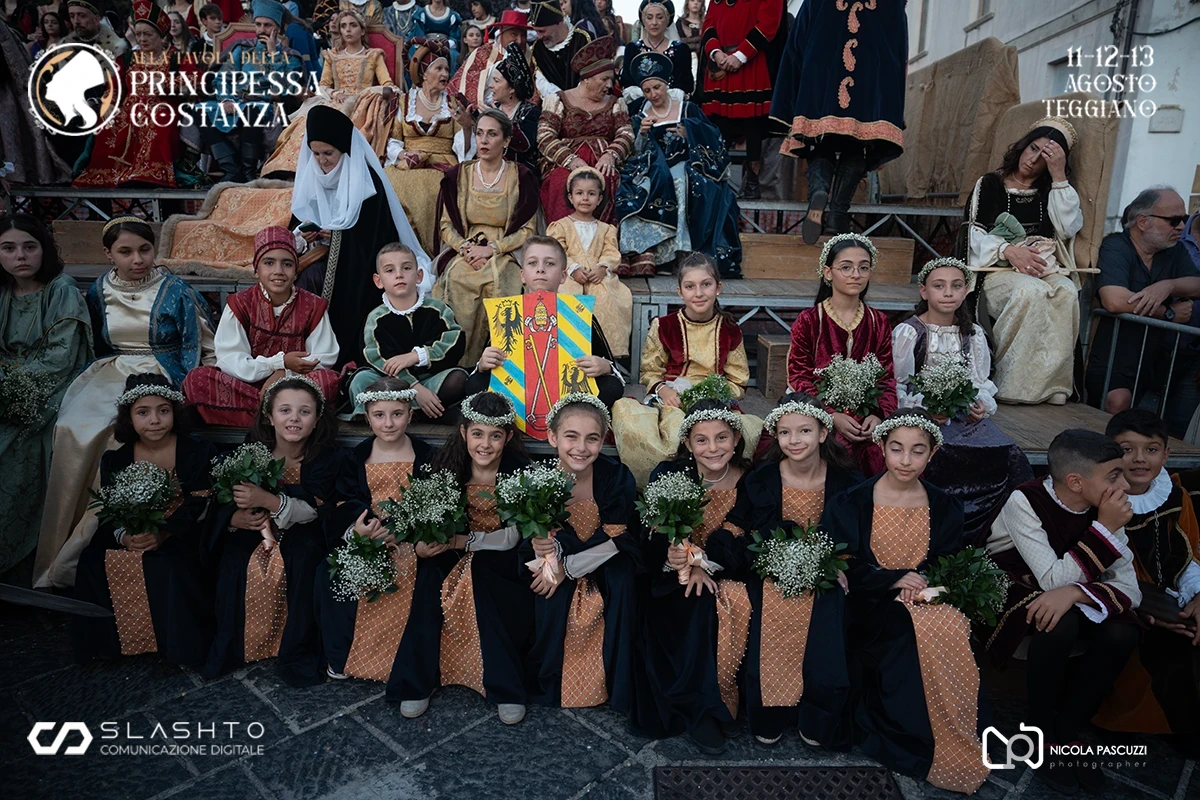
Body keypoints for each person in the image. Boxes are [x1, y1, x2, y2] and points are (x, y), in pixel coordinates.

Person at [33, 218, 216, 590]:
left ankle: (108, 531)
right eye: (125, 252)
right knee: (72, 426)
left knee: (120, 433)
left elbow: (196, 343)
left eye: (145, 250)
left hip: (160, 370)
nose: (137, 259)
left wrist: (187, 384)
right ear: (108, 254)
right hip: (111, 370)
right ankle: (64, 540)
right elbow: (96, 342)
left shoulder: (174, 290)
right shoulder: (100, 290)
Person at [826, 411, 989, 795]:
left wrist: (924, 586)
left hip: (925, 600)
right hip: (870, 606)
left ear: (932, 453)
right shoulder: (852, 500)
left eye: (917, 451)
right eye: (896, 449)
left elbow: (948, 562)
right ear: (881, 447)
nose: (905, 460)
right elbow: (843, 563)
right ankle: (914, 739)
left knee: (950, 623)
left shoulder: (944, 505)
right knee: (905, 628)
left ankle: (955, 730)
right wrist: (891, 580)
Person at [980, 429, 1140, 795]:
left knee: (1124, 631)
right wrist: (1104, 529)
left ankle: (1068, 727)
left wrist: (1074, 592)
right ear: (1075, 482)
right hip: (1015, 584)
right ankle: (1038, 729)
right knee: (1057, 621)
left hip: (1070, 588)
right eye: (1114, 476)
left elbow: (1131, 592)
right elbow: (1050, 580)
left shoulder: (1106, 508)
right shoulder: (1026, 500)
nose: (1125, 486)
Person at [727, 395, 860, 747]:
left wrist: (833, 564)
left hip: (828, 566)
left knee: (827, 604)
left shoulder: (846, 481)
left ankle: (818, 712)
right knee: (775, 601)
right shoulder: (762, 478)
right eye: (785, 432)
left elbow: (852, 534)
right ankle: (770, 710)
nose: (794, 440)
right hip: (772, 565)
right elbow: (750, 528)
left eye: (804, 431)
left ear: (823, 433)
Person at [397, 391, 533, 722]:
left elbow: (512, 537)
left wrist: (465, 541)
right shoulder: (445, 467)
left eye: (495, 436)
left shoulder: (519, 472)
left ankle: (507, 687)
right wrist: (422, 544)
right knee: (430, 573)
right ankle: (417, 681)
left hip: (500, 554)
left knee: (483, 574)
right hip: (454, 549)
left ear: (508, 437)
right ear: (463, 433)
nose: (485, 444)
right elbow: (426, 520)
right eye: (477, 434)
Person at [203, 375, 342, 687]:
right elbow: (221, 501)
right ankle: (238, 644)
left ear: (317, 418)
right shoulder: (250, 454)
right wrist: (234, 518)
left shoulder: (327, 458)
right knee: (237, 556)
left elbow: (319, 510)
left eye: (304, 412)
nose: (294, 419)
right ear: (269, 416)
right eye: (285, 410)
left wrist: (269, 501)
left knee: (304, 555)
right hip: (253, 532)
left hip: (304, 532)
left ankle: (295, 648)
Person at [72, 375, 218, 667]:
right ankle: (108, 644)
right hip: (134, 531)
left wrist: (163, 534)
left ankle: (176, 645)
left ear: (175, 413)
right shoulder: (116, 459)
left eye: (164, 411)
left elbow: (200, 502)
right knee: (92, 559)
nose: (155, 420)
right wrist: (125, 536)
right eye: (143, 412)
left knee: (169, 564)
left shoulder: (196, 451)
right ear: (128, 418)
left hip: (183, 530)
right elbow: (110, 508)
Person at [631, 399, 751, 752]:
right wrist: (672, 555)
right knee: (692, 601)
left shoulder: (750, 480)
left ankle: (724, 699)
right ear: (687, 442)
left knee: (724, 600)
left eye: (721, 438)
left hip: (730, 568)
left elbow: (745, 534)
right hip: (674, 573)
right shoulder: (669, 475)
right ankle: (701, 710)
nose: (712, 448)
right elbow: (653, 531)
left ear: (735, 439)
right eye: (702, 440)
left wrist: (704, 562)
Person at [892, 257, 1032, 541]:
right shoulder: (910, 332)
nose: (948, 293)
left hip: (964, 416)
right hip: (921, 416)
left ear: (966, 290)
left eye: (956, 286)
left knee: (1007, 450)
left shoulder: (973, 334)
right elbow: (898, 384)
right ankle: (935, 527)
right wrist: (923, 409)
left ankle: (997, 532)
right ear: (924, 291)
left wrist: (980, 404)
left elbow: (980, 382)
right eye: (939, 286)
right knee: (938, 451)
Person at [522, 394, 641, 712]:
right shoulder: (539, 478)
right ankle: (551, 676)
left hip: (607, 554)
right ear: (552, 437)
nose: (581, 448)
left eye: (592, 438)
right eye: (571, 436)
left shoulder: (616, 476)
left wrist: (569, 567)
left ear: (603, 440)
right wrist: (545, 551)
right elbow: (536, 528)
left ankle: (613, 679)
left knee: (621, 579)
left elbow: (618, 538)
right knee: (544, 587)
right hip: (561, 552)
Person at [290, 105, 431, 368]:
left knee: (320, 278)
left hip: (359, 269)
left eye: (328, 153)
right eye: (316, 154)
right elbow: (300, 221)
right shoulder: (312, 177)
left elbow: (377, 238)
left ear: (344, 150)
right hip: (319, 259)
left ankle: (340, 359)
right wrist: (303, 235)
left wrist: (338, 237)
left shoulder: (368, 184)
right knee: (306, 278)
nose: (322, 161)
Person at [1091, 410, 1200, 751]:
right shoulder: (1100, 499)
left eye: (1151, 449)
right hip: (1114, 593)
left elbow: (1189, 555)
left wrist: (1197, 595)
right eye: (1127, 449)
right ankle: (1117, 719)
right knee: (1138, 634)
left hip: (1167, 594)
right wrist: (1144, 606)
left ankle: (1184, 723)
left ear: (1165, 455)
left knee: (1189, 630)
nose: (1140, 459)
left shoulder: (1176, 497)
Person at [316, 376, 437, 682]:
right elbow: (346, 500)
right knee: (332, 574)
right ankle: (342, 655)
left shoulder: (426, 456)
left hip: (412, 539)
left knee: (412, 574)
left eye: (397, 414)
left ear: (410, 414)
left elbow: (436, 501)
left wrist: (406, 531)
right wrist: (360, 530)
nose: (388, 423)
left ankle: (401, 658)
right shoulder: (356, 457)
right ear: (367, 417)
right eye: (379, 415)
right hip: (370, 535)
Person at [962, 117, 1084, 406]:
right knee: (1030, 291)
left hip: (1041, 267)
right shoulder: (990, 184)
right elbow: (971, 233)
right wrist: (1008, 250)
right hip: (995, 269)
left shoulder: (1051, 190)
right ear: (1022, 146)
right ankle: (1011, 385)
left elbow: (1068, 228)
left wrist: (1058, 177)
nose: (1033, 159)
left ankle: (1053, 385)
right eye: (1033, 148)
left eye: (1046, 156)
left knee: (1066, 292)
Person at [0, 215, 92, 579]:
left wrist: (13, 386)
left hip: (52, 382)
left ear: (44, 249)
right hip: (8, 381)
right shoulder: (3, 290)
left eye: (29, 246)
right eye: (8, 248)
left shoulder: (60, 289)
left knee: (19, 440)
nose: (20, 256)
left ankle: (20, 560)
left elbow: (61, 355)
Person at [612, 254, 754, 485]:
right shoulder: (664, 326)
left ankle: (718, 486)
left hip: (715, 402)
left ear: (718, 288)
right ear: (680, 291)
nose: (698, 293)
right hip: (674, 400)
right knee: (675, 433)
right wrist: (664, 391)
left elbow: (738, 381)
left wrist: (714, 395)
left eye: (706, 284)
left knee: (745, 433)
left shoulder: (730, 329)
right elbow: (650, 372)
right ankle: (668, 487)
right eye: (690, 286)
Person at [770, 0, 906, 239]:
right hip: (870, 76)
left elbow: (798, 38)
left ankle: (819, 191)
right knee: (858, 146)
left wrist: (793, 85)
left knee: (820, 143)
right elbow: (899, 47)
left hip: (822, 73)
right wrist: (892, 99)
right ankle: (837, 216)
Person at [182, 226, 341, 427]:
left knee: (327, 381)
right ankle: (279, 415)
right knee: (197, 379)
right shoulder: (241, 303)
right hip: (248, 385)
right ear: (256, 270)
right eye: (269, 263)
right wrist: (275, 364)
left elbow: (323, 356)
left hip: (295, 386)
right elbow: (230, 359)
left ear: (296, 270)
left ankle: (265, 415)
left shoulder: (313, 305)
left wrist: (284, 373)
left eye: (287, 264)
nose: (278, 271)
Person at [615, 51, 741, 278]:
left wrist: (689, 132)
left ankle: (681, 252)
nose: (653, 94)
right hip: (650, 167)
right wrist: (641, 134)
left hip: (684, 164)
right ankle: (653, 255)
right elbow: (634, 149)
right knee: (636, 188)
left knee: (682, 182)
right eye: (647, 90)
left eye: (657, 87)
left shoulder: (687, 108)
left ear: (666, 84)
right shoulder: (639, 112)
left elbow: (712, 136)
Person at [1087, 186, 1200, 438]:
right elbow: (1115, 300)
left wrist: (1168, 285)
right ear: (1143, 222)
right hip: (1114, 354)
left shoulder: (1174, 251)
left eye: (1183, 218)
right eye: (1173, 220)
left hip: (1155, 358)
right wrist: (1167, 313)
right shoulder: (1116, 246)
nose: (1182, 227)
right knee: (1116, 406)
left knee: (1152, 428)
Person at [464, 236, 624, 409]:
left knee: (611, 386)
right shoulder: (507, 313)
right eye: (532, 263)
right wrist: (483, 364)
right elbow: (487, 363)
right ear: (522, 275)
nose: (540, 269)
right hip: (516, 394)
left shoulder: (577, 313)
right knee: (475, 384)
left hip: (568, 395)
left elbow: (614, 372)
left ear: (563, 276)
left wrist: (604, 366)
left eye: (550, 263)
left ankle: (569, 415)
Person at [432, 110, 539, 368]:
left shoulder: (520, 176)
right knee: (458, 279)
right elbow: (445, 225)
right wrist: (464, 248)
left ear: (506, 140)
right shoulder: (460, 175)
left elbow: (528, 229)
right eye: (479, 133)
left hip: (506, 249)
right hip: (466, 248)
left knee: (503, 280)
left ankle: (502, 366)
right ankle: (459, 366)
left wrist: (493, 249)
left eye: (492, 134)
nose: (484, 140)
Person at [787, 233, 897, 476]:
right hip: (816, 411)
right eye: (846, 267)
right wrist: (830, 415)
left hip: (865, 415)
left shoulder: (878, 322)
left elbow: (886, 378)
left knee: (886, 450)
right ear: (828, 272)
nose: (856, 274)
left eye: (863, 268)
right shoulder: (809, 320)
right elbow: (799, 376)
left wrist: (878, 416)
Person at [74, 1, 197, 188]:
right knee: (110, 123)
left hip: (163, 106)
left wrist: (167, 84)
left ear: (161, 35)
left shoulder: (177, 57)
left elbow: (195, 80)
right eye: (138, 34)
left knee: (157, 123)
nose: (142, 39)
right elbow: (114, 86)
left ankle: (149, 173)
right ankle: (110, 174)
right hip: (129, 107)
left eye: (148, 34)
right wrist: (109, 103)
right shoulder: (128, 58)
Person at [261, 8, 397, 177]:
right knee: (310, 120)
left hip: (361, 101)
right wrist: (335, 94)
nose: (348, 30)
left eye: (353, 25)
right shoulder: (332, 56)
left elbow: (388, 85)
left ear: (362, 31)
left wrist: (362, 95)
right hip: (334, 100)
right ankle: (295, 171)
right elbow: (323, 85)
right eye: (343, 26)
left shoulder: (373, 55)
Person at [345, 243, 468, 419]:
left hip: (430, 380)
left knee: (458, 378)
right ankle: (413, 412)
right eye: (390, 270)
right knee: (361, 379)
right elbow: (377, 358)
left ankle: (406, 412)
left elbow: (454, 341)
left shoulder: (438, 309)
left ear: (419, 276)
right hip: (390, 383)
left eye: (406, 268)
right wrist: (415, 388)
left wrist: (416, 356)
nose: (399, 275)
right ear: (378, 281)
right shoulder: (375, 319)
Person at [383, 38, 476, 256]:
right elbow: (393, 140)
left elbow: (461, 148)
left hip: (443, 162)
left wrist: (467, 127)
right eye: (439, 69)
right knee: (392, 184)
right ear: (424, 73)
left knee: (438, 187)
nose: (445, 74)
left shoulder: (453, 103)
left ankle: (433, 253)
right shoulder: (404, 101)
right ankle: (404, 251)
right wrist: (404, 154)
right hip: (408, 162)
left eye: (447, 69)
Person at [197, 0, 305, 183]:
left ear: (278, 28)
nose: (262, 30)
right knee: (199, 111)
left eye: (267, 25)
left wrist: (273, 55)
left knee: (253, 109)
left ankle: (248, 170)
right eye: (258, 24)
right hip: (236, 101)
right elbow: (223, 78)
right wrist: (226, 100)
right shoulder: (243, 48)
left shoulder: (290, 56)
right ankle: (230, 168)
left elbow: (285, 88)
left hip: (267, 105)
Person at [537, 35, 633, 224]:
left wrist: (610, 155)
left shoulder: (615, 103)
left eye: (611, 79)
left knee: (608, 179)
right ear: (587, 79)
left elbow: (626, 133)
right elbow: (544, 136)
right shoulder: (558, 100)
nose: (609, 85)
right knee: (562, 181)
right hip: (565, 163)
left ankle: (604, 237)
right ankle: (564, 238)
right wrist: (570, 160)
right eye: (604, 79)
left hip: (603, 161)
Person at [693, 0, 781, 199]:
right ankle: (717, 181)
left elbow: (769, 23)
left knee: (753, 124)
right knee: (719, 126)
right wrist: (715, 53)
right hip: (720, 64)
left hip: (751, 63)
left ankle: (752, 183)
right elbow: (709, 23)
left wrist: (740, 55)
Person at [549, 166, 631, 356]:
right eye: (579, 193)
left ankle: (605, 352)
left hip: (596, 275)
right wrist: (573, 268)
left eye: (591, 194)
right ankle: (566, 351)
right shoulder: (560, 226)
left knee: (606, 297)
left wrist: (603, 267)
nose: (585, 198)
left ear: (599, 199)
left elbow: (611, 251)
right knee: (566, 295)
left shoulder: (606, 229)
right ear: (570, 197)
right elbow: (556, 251)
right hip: (568, 274)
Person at [619, 0, 693, 114]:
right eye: (649, 17)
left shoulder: (680, 49)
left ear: (667, 20)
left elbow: (685, 85)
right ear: (643, 21)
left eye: (659, 17)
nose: (654, 22)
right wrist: (648, 95)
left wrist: (662, 97)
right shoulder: (632, 49)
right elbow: (627, 82)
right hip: (639, 109)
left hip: (674, 108)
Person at [449, 9, 531, 109]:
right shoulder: (483, 52)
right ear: (501, 33)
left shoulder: (531, 56)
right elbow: (464, 87)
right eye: (514, 34)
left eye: (523, 36)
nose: (520, 40)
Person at [489, 41, 541, 177]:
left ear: (512, 89)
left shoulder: (530, 112)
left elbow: (525, 145)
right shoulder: (491, 109)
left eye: (496, 81)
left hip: (519, 175)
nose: (490, 85)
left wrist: (499, 120)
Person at [529, 0, 593, 97]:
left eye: (542, 31)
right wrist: (564, 99)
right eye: (536, 31)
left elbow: (592, 76)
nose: (539, 36)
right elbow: (543, 85)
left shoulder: (583, 39)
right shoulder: (538, 49)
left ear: (559, 23)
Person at [62, 0, 128, 63]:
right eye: (72, 16)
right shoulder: (63, 50)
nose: (76, 21)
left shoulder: (116, 48)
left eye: (82, 16)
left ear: (96, 19)